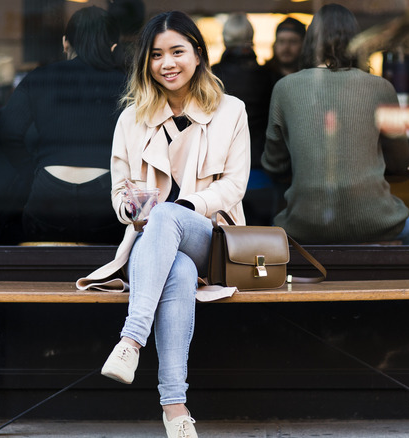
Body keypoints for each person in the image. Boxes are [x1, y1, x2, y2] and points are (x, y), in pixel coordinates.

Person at [76, 11, 250, 438]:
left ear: (198, 54)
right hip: (154, 249)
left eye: (177, 51)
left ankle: (130, 341)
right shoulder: (132, 118)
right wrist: (136, 211)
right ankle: (175, 408)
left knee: (174, 216)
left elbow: (234, 186)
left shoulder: (231, 111)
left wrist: (185, 205)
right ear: (145, 63)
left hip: (211, 240)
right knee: (179, 270)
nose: (167, 63)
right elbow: (120, 193)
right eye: (156, 55)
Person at [262, 4, 409, 245]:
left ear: (309, 42)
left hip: (303, 222)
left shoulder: (285, 88)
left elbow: (274, 164)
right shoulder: (381, 87)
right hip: (377, 219)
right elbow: (400, 162)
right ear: (355, 41)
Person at [0, 6, 128, 244]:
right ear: (113, 47)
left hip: (48, 189)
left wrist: (35, 174)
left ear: (65, 42)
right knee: (106, 264)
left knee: (45, 266)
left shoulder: (39, 78)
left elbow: (8, 134)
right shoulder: (127, 84)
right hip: (105, 192)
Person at [211, 13, 275, 225]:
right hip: (261, 169)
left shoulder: (212, 77)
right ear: (252, 38)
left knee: (227, 239)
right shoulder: (268, 76)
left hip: (222, 170)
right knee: (259, 239)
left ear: (225, 39)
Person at [263, 16, 306, 84]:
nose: (286, 47)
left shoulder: (310, 77)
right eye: (281, 41)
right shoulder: (261, 78)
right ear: (275, 45)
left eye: (293, 41)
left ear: (303, 45)